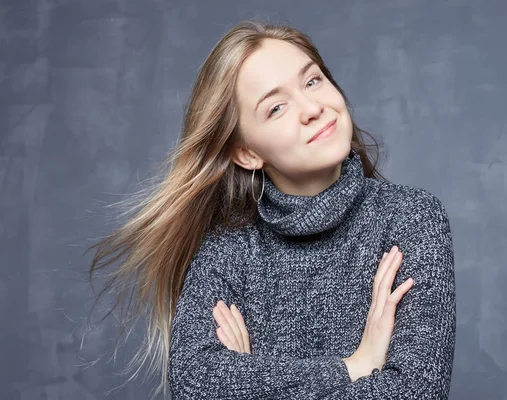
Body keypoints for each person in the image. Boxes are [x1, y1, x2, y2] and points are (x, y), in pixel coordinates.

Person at [86, 20, 456, 399]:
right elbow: (196, 382)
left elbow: (415, 392)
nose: (313, 108)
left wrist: (252, 383)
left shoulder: (410, 218)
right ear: (247, 153)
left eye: (312, 81)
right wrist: (353, 367)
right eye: (277, 108)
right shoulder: (227, 249)